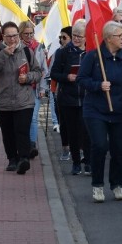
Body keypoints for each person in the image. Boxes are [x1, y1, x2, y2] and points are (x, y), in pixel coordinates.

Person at [77, 21, 122, 202]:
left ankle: (117, 184)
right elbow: (81, 79)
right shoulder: (93, 56)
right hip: (96, 109)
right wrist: (98, 85)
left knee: (119, 148)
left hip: (120, 110)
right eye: (119, 36)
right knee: (100, 145)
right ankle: (97, 185)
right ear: (108, 38)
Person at [0, 21, 42, 174]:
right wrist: (4, 54)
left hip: (23, 100)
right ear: (3, 36)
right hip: (2, 100)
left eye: (15, 36)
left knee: (22, 130)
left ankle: (23, 159)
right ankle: (12, 159)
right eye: (9, 36)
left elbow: (38, 72)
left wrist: (28, 77)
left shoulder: (27, 52)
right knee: (8, 132)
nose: (12, 39)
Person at [50, 20, 91, 176]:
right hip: (68, 98)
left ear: (86, 37)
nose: (77, 39)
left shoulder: (91, 52)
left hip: (87, 98)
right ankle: (75, 163)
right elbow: (54, 73)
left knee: (87, 132)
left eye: (80, 36)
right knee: (73, 132)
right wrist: (67, 77)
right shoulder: (63, 52)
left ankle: (88, 162)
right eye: (74, 35)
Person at [19, 20, 48, 159]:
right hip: (19, 90)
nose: (29, 36)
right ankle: (23, 145)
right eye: (26, 34)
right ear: (20, 34)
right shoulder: (16, 47)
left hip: (35, 89)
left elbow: (44, 70)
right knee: (22, 119)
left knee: (33, 118)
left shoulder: (39, 48)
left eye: (31, 33)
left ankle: (32, 145)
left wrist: (43, 88)